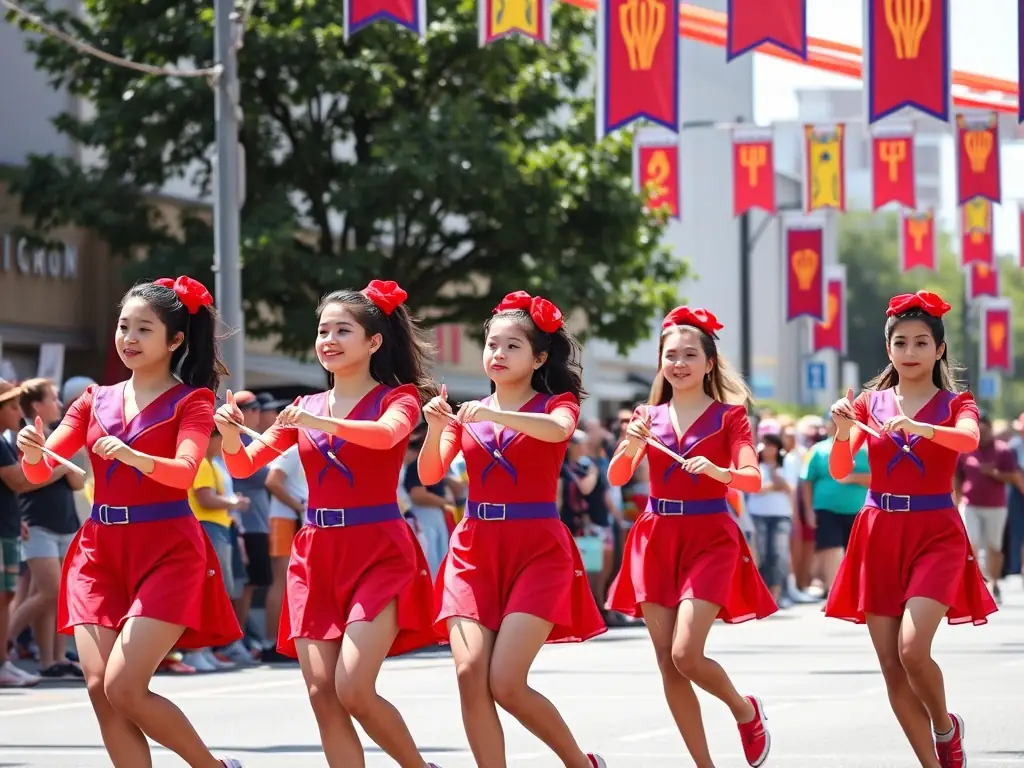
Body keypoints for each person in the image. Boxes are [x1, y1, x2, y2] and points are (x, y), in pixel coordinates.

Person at [16, 276, 244, 768]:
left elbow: (184, 471)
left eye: (144, 328)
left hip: (167, 549)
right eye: (123, 326)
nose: (129, 338)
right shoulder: (92, 399)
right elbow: (42, 469)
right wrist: (32, 451)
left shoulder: (193, 401)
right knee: (100, 690)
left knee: (125, 686)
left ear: (176, 340)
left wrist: (133, 456)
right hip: (97, 551)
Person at [218, 280, 441, 768]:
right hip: (316, 553)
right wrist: (230, 435)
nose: (329, 340)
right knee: (322, 694)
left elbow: (386, 439)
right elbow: (243, 466)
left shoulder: (397, 399)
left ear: (374, 341)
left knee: (354, 689)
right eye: (323, 330)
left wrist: (322, 426)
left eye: (344, 330)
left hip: (378, 550)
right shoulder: (305, 408)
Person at [418, 290, 608, 768]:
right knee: (468, 671)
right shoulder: (469, 414)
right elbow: (429, 474)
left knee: (506, 682)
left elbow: (558, 431)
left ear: (539, 356)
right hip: (473, 548)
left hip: (538, 550)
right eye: (491, 345)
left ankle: (579, 763)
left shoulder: (555, 403)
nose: (497, 354)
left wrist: (493, 413)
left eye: (512, 346)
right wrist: (437, 429)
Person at [826, 291, 997, 768]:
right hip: (879, 530)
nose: (910, 351)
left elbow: (969, 439)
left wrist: (922, 429)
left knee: (912, 649)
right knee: (892, 670)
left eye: (922, 342)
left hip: (936, 532)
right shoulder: (868, 403)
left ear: (939, 350)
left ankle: (945, 726)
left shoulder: (956, 402)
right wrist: (842, 431)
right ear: (888, 350)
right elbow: (841, 470)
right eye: (900, 342)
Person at [605, 306, 776, 768]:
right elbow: (618, 475)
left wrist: (723, 471)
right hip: (657, 536)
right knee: (667, 663)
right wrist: (633, 441)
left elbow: (751, 478)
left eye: (688, 355)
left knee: (686, 653)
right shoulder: (646, 415)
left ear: (709, 363)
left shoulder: (730, 416)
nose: (678, 363)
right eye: (670, 355)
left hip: (710, 535)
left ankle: (744, 710)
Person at [954, 413, 1019, 604]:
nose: (981, 432)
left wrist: (994, 473)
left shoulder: (1002, 451)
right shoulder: (966, 449)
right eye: (978, 429)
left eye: (984, 428)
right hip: (970, 504)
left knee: (994, 547)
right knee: (971, 542)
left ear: (991, 429)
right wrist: (957, 499)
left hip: (995, 506)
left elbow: (1012, 476)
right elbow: (958, 476)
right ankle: (976, 582)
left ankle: (994, 582)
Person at [801, 416, 869, 595]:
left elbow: (878, 479)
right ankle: (835, 593)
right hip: (826, 509)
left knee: (854, 553)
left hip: (858, 510)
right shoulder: (818, 450)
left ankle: (854, 593)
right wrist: (808, 510)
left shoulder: (864, 450)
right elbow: (807, 481)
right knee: (832, 548)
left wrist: (852, 478)